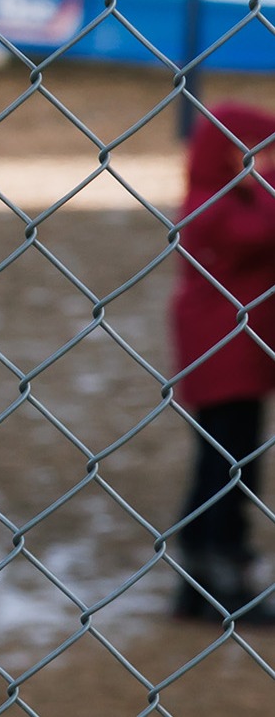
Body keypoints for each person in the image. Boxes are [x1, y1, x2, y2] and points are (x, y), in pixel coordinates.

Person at [166, 103, 275, 625]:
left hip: (237, 358)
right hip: (225, 359)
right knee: (228, 468)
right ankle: (219, 575)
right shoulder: (214, 205)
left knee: (226, 464)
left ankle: (200, 577)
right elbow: (261, 233)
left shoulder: (226, 196)